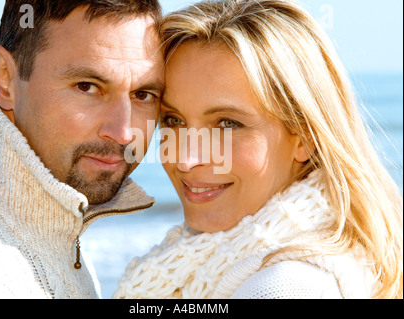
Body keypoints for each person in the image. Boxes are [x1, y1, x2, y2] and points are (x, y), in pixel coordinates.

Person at [114, 0, 403, 299]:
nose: (185, 159)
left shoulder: (283, 287)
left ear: (305, 136)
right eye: (173, 120)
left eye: (227, 124)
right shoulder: (227, 264)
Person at [0, 0, 164, 298]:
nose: (123, 133)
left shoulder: (58, 237)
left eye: (143, 94)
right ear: (5, 79)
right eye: (86, 87)